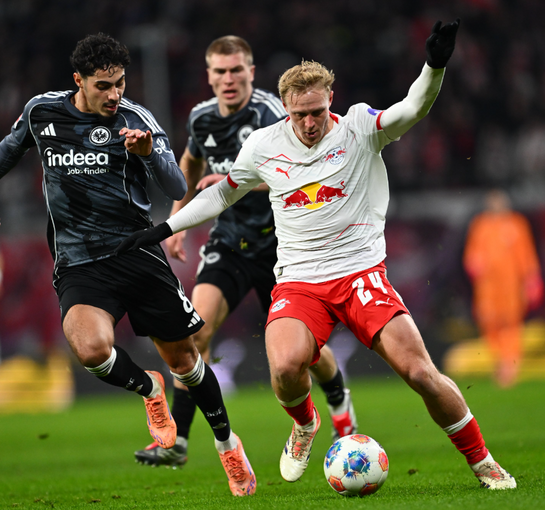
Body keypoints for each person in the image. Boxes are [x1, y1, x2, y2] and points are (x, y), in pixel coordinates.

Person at [117, 19, 517, 490]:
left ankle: (483, 462)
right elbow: (222, 193)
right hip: (300, 280)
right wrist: (164, 228)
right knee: (285, 368)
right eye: (300, 114)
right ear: (285, 108)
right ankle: (306, 423)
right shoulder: (264, 144)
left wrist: (434, 65)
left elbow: (413, 108)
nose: (310, 123)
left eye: (318, 112)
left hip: (361, 274)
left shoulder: (360, 127)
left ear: (331, 100)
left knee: (420, 373)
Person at [0, 33, 255, 497]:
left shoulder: (136, 119)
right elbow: (6, 154)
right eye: (103, 85)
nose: (114, 94)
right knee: (90, 350)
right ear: (78, 81)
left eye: (119, 83)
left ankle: (227, 445)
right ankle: (149, 389)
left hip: (137, 254)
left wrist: (148, 154)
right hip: (79, 262)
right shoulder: (42, 112)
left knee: (186, 360)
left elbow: (177, 185)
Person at [134, 35, 358, 468]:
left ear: (251, 73)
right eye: (220, 71)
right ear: (209, 76)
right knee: (193, 334)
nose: (228, 78)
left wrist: (230, 184)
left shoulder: (273, 113)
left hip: (282, 245)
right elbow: (190, 162)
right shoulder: (201, 117)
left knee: (305, 352)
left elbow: (299, 174)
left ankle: (336, 396)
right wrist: (177, 218)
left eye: (236, 70)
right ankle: (179, 441)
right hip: (230, 242)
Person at [463, 189, 543, 387]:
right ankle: (499, 361)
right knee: (489, 324)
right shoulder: (480, 225)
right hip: (487, 288)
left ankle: (510, 364)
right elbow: (471, 254)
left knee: (511, 325)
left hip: (510, 287)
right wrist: (474, 265)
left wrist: (532, 280)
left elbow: (527, 255)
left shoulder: (517, 224)